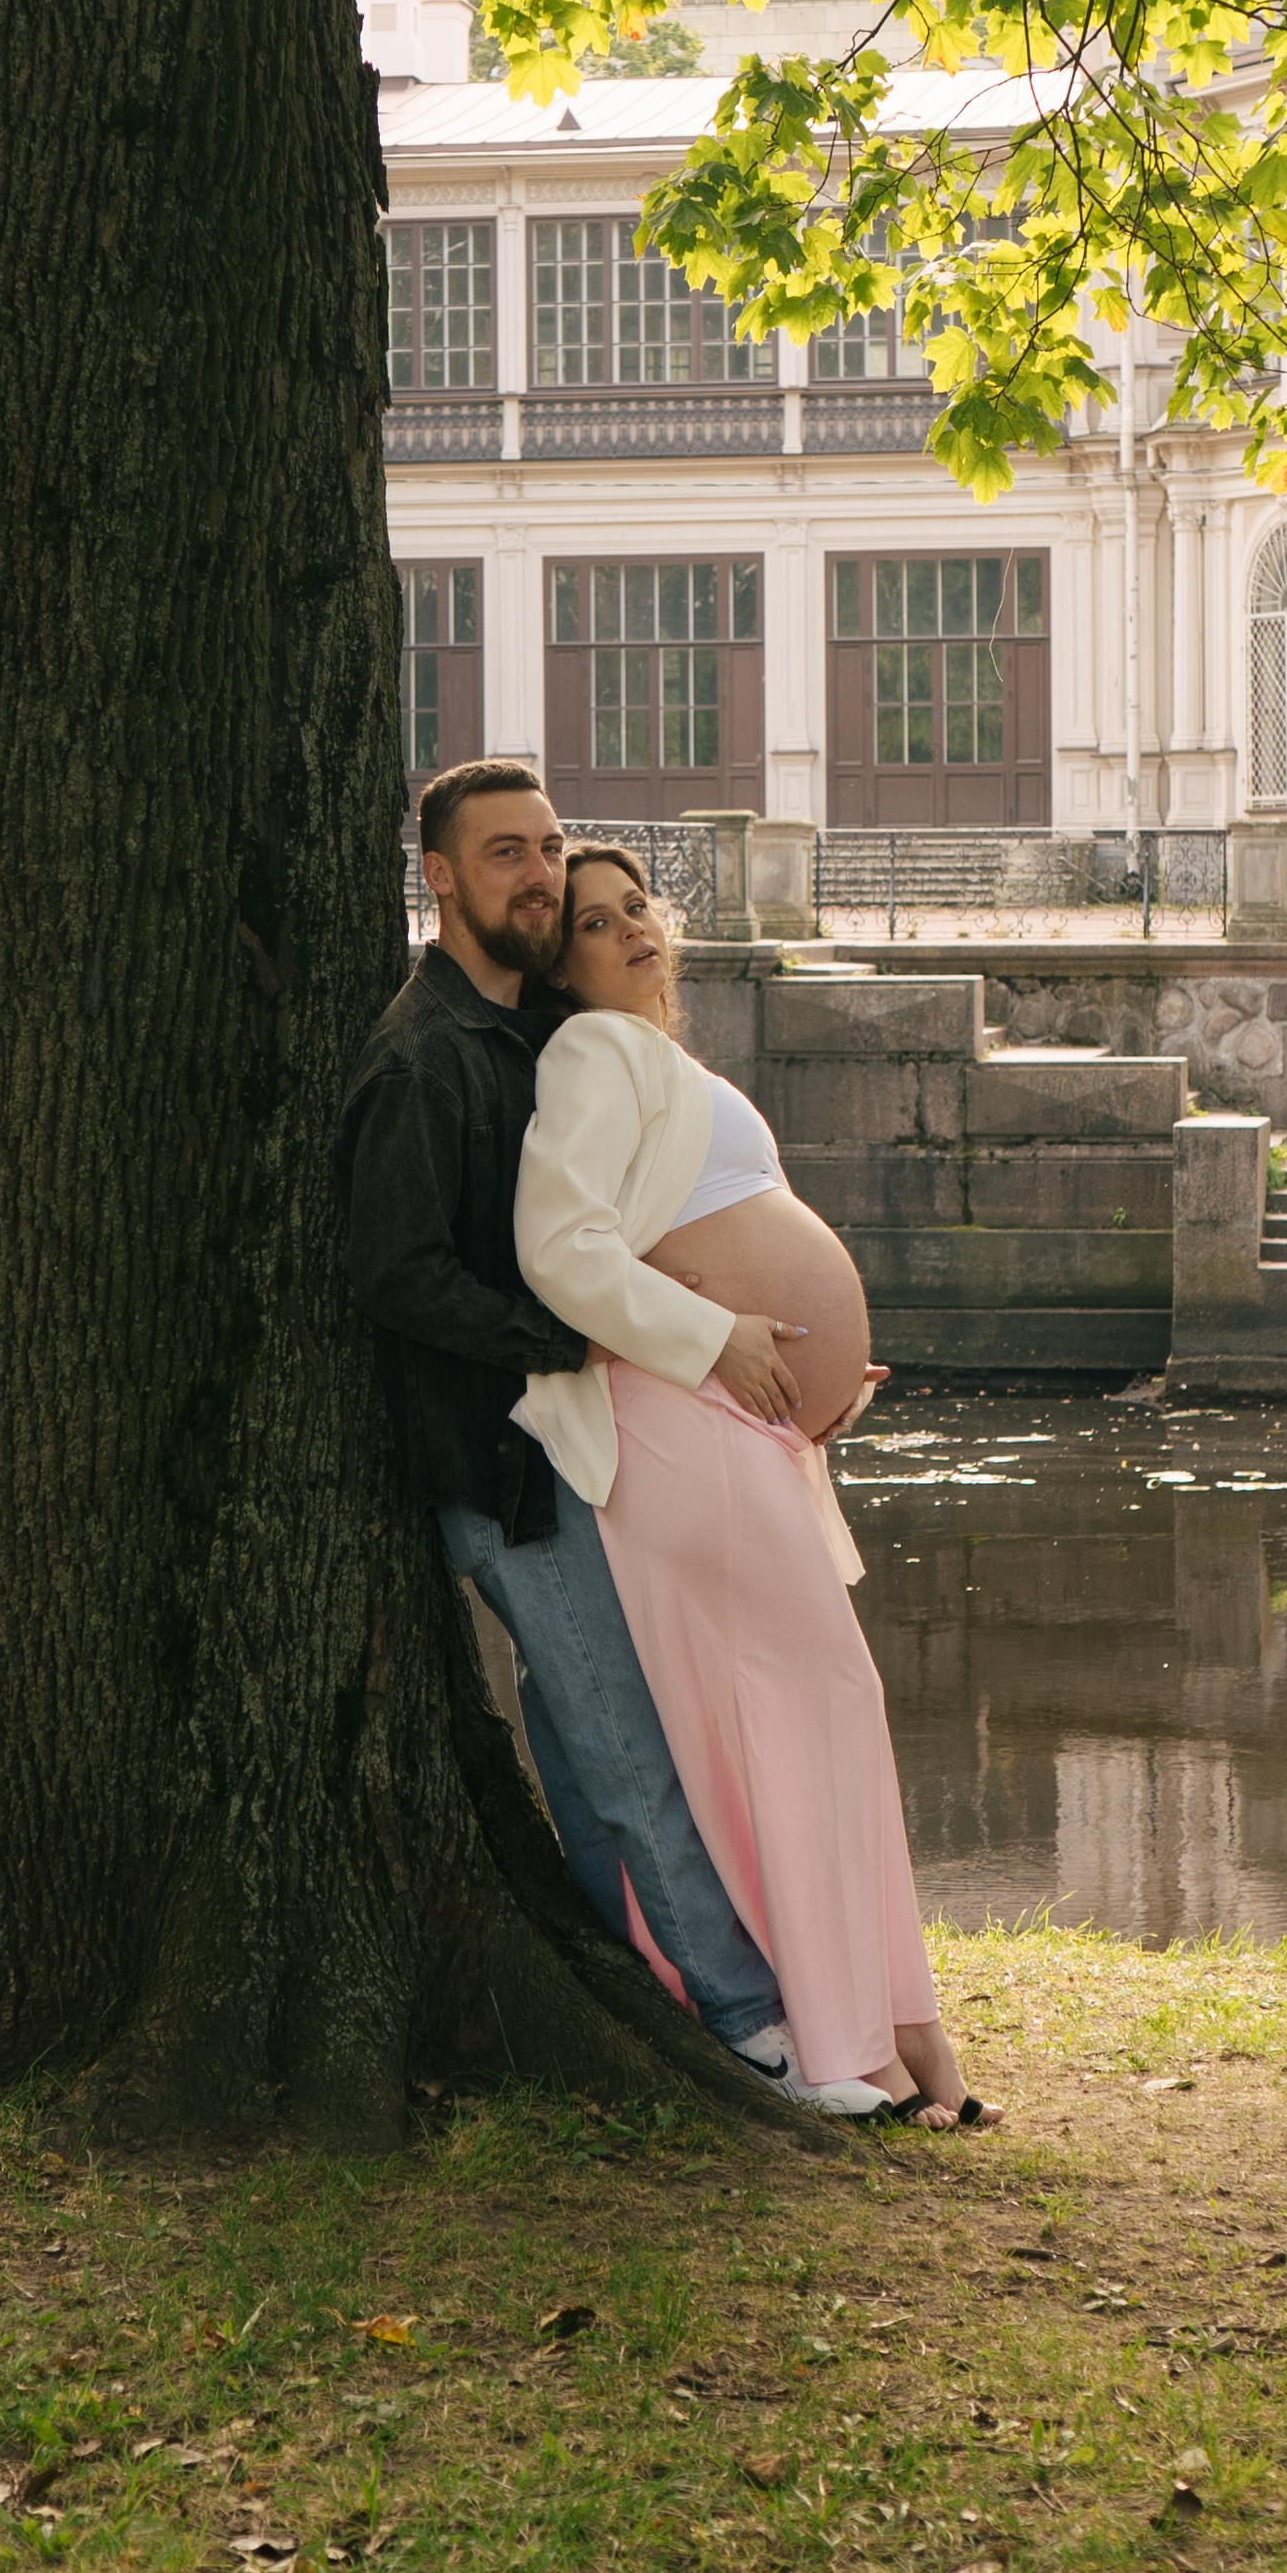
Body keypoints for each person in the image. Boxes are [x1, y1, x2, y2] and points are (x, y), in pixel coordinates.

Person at [338, 757, 849, 2109]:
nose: (540, 874)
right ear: (438, 877)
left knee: (585, 1745)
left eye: (549, 847)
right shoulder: (425, 1055)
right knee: (626, 1749)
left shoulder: (529, 1030)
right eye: (504, 852)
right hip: (501, 1467)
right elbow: (393, 1271)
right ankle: (753, 2027)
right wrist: (584, 1335)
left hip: (574, 1448)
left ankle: (638, 1981)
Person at [512, 844, 997, 2130]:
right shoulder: (589, 1054)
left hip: (739, 1424)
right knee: (796, 1704)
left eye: (638, 911)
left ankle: (904, 2040)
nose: (630, 934)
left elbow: (720, 1226)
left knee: (811, 1704)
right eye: (595, 924)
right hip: (677, 1418)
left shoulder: (666, 1065)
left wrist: (824, 1360)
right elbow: (558, 1249)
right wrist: (720, 1336)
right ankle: (841, 2040)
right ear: (560, 968)